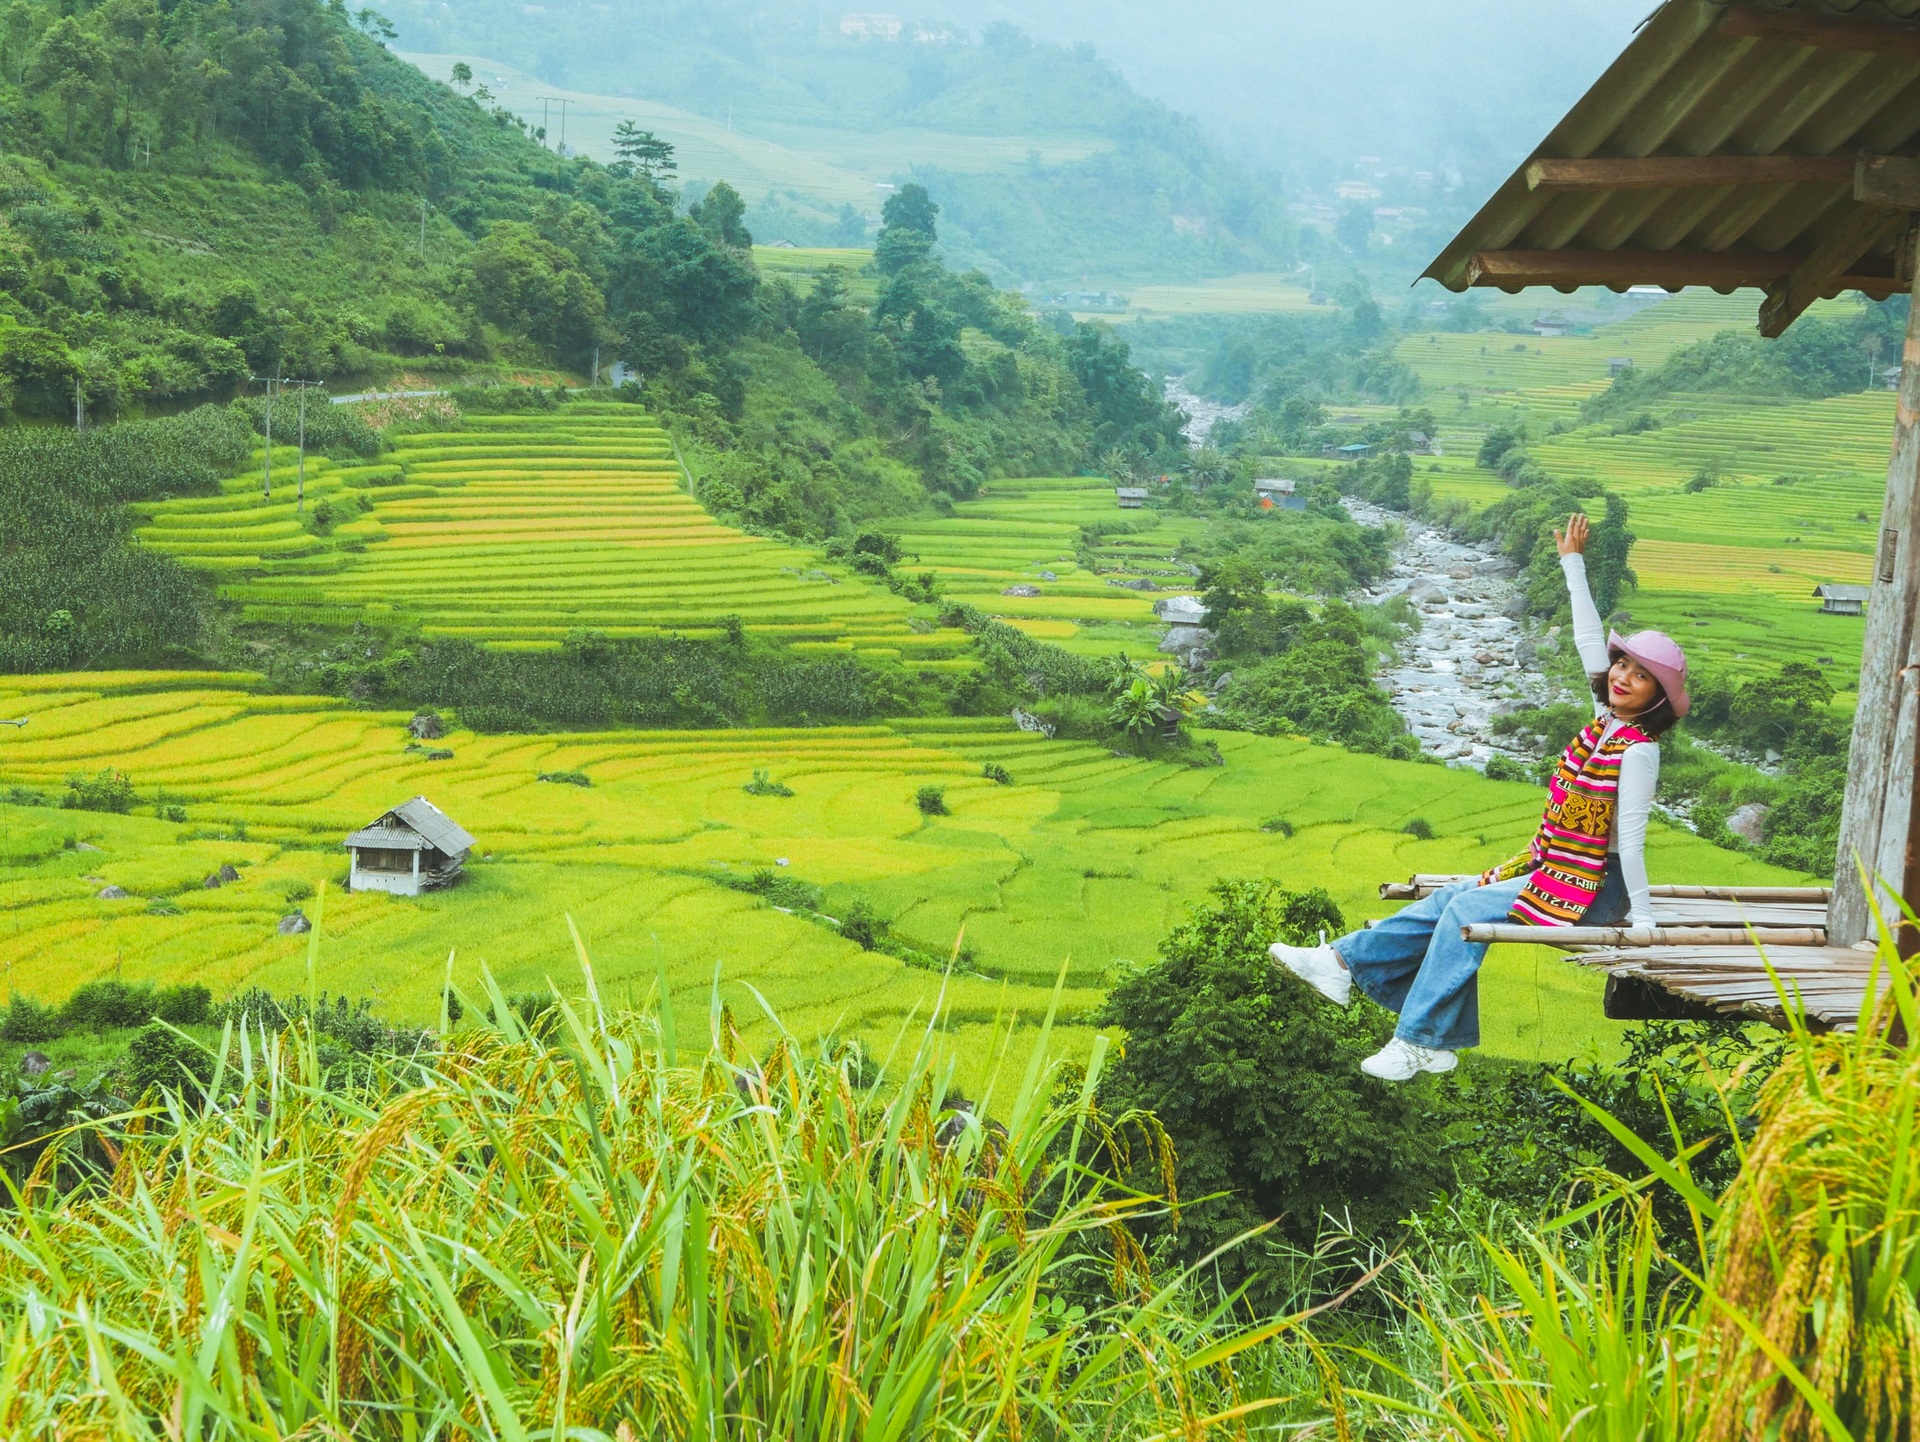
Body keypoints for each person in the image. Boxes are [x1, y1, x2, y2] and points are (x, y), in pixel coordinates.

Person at [1270, 512, 1691, 1081]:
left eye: (1640, 676)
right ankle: (1340, 961)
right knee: (1456, 898)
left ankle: (1421, 1040)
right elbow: (1587, 637)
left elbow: (1633, 840)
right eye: (1622, 664)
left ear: (1657, 698)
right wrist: (1572, 562)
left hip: (1598, 888)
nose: (1621, 676)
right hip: (1560, 870)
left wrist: (1641, 918)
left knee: (1468, 907)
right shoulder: (1606, 721)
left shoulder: (1638, 749)